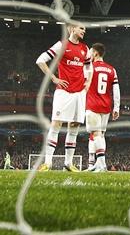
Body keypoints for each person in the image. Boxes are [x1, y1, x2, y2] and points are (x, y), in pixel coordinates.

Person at [36, 23, 92, 172]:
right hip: (63, 92)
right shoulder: (62, 45)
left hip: (79, 93)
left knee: (74, 127)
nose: (83, 31)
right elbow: (40, 60)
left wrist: (87, 83)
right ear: (72, 28)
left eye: (85, 29)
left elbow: (88, 67)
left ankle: (68, 163)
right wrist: (54, 78)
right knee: (56, 124)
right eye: (81, 28)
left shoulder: (85, 49)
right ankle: (47, 163)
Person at [85, 43, 120, 172]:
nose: (88, 54)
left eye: (90, 52)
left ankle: (101, 164)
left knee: (96, 134)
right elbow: (116, 90)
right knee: (99, 135)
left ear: (95, 53)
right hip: (106, 106)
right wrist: (116, 107)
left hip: (93, 104)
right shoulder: (112, 69)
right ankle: (92, 164)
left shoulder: (89, 68)